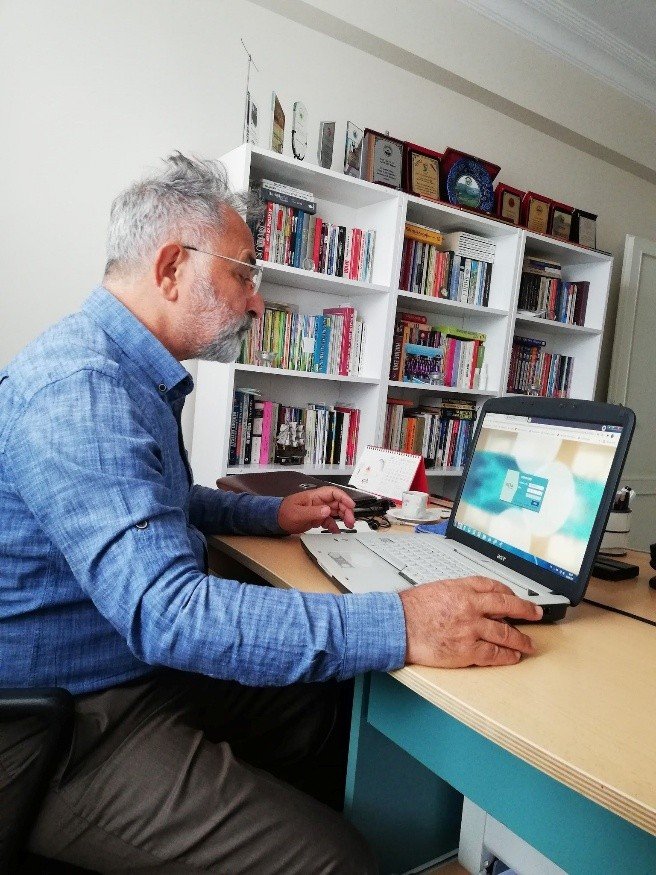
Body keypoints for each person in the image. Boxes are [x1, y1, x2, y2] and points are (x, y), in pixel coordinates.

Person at [0, 153, 542, 873]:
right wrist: (404, 621)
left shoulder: (122, 371)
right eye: (244, 274)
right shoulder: (83, 390)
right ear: (171, 268)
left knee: (326, 708)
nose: (257, 302)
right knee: (337, 864)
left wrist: (272, 514)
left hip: (128, 671)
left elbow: (158, 502)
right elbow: (170, 613)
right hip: (66, 724)